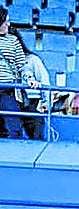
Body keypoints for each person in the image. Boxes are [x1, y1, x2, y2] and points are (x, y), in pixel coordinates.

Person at [0, 7, 36, 139]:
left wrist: (30, 78)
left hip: (7, 89)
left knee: (14, 126)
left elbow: (22, 64)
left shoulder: (13, 40)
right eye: (6, 21)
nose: (9, 24)